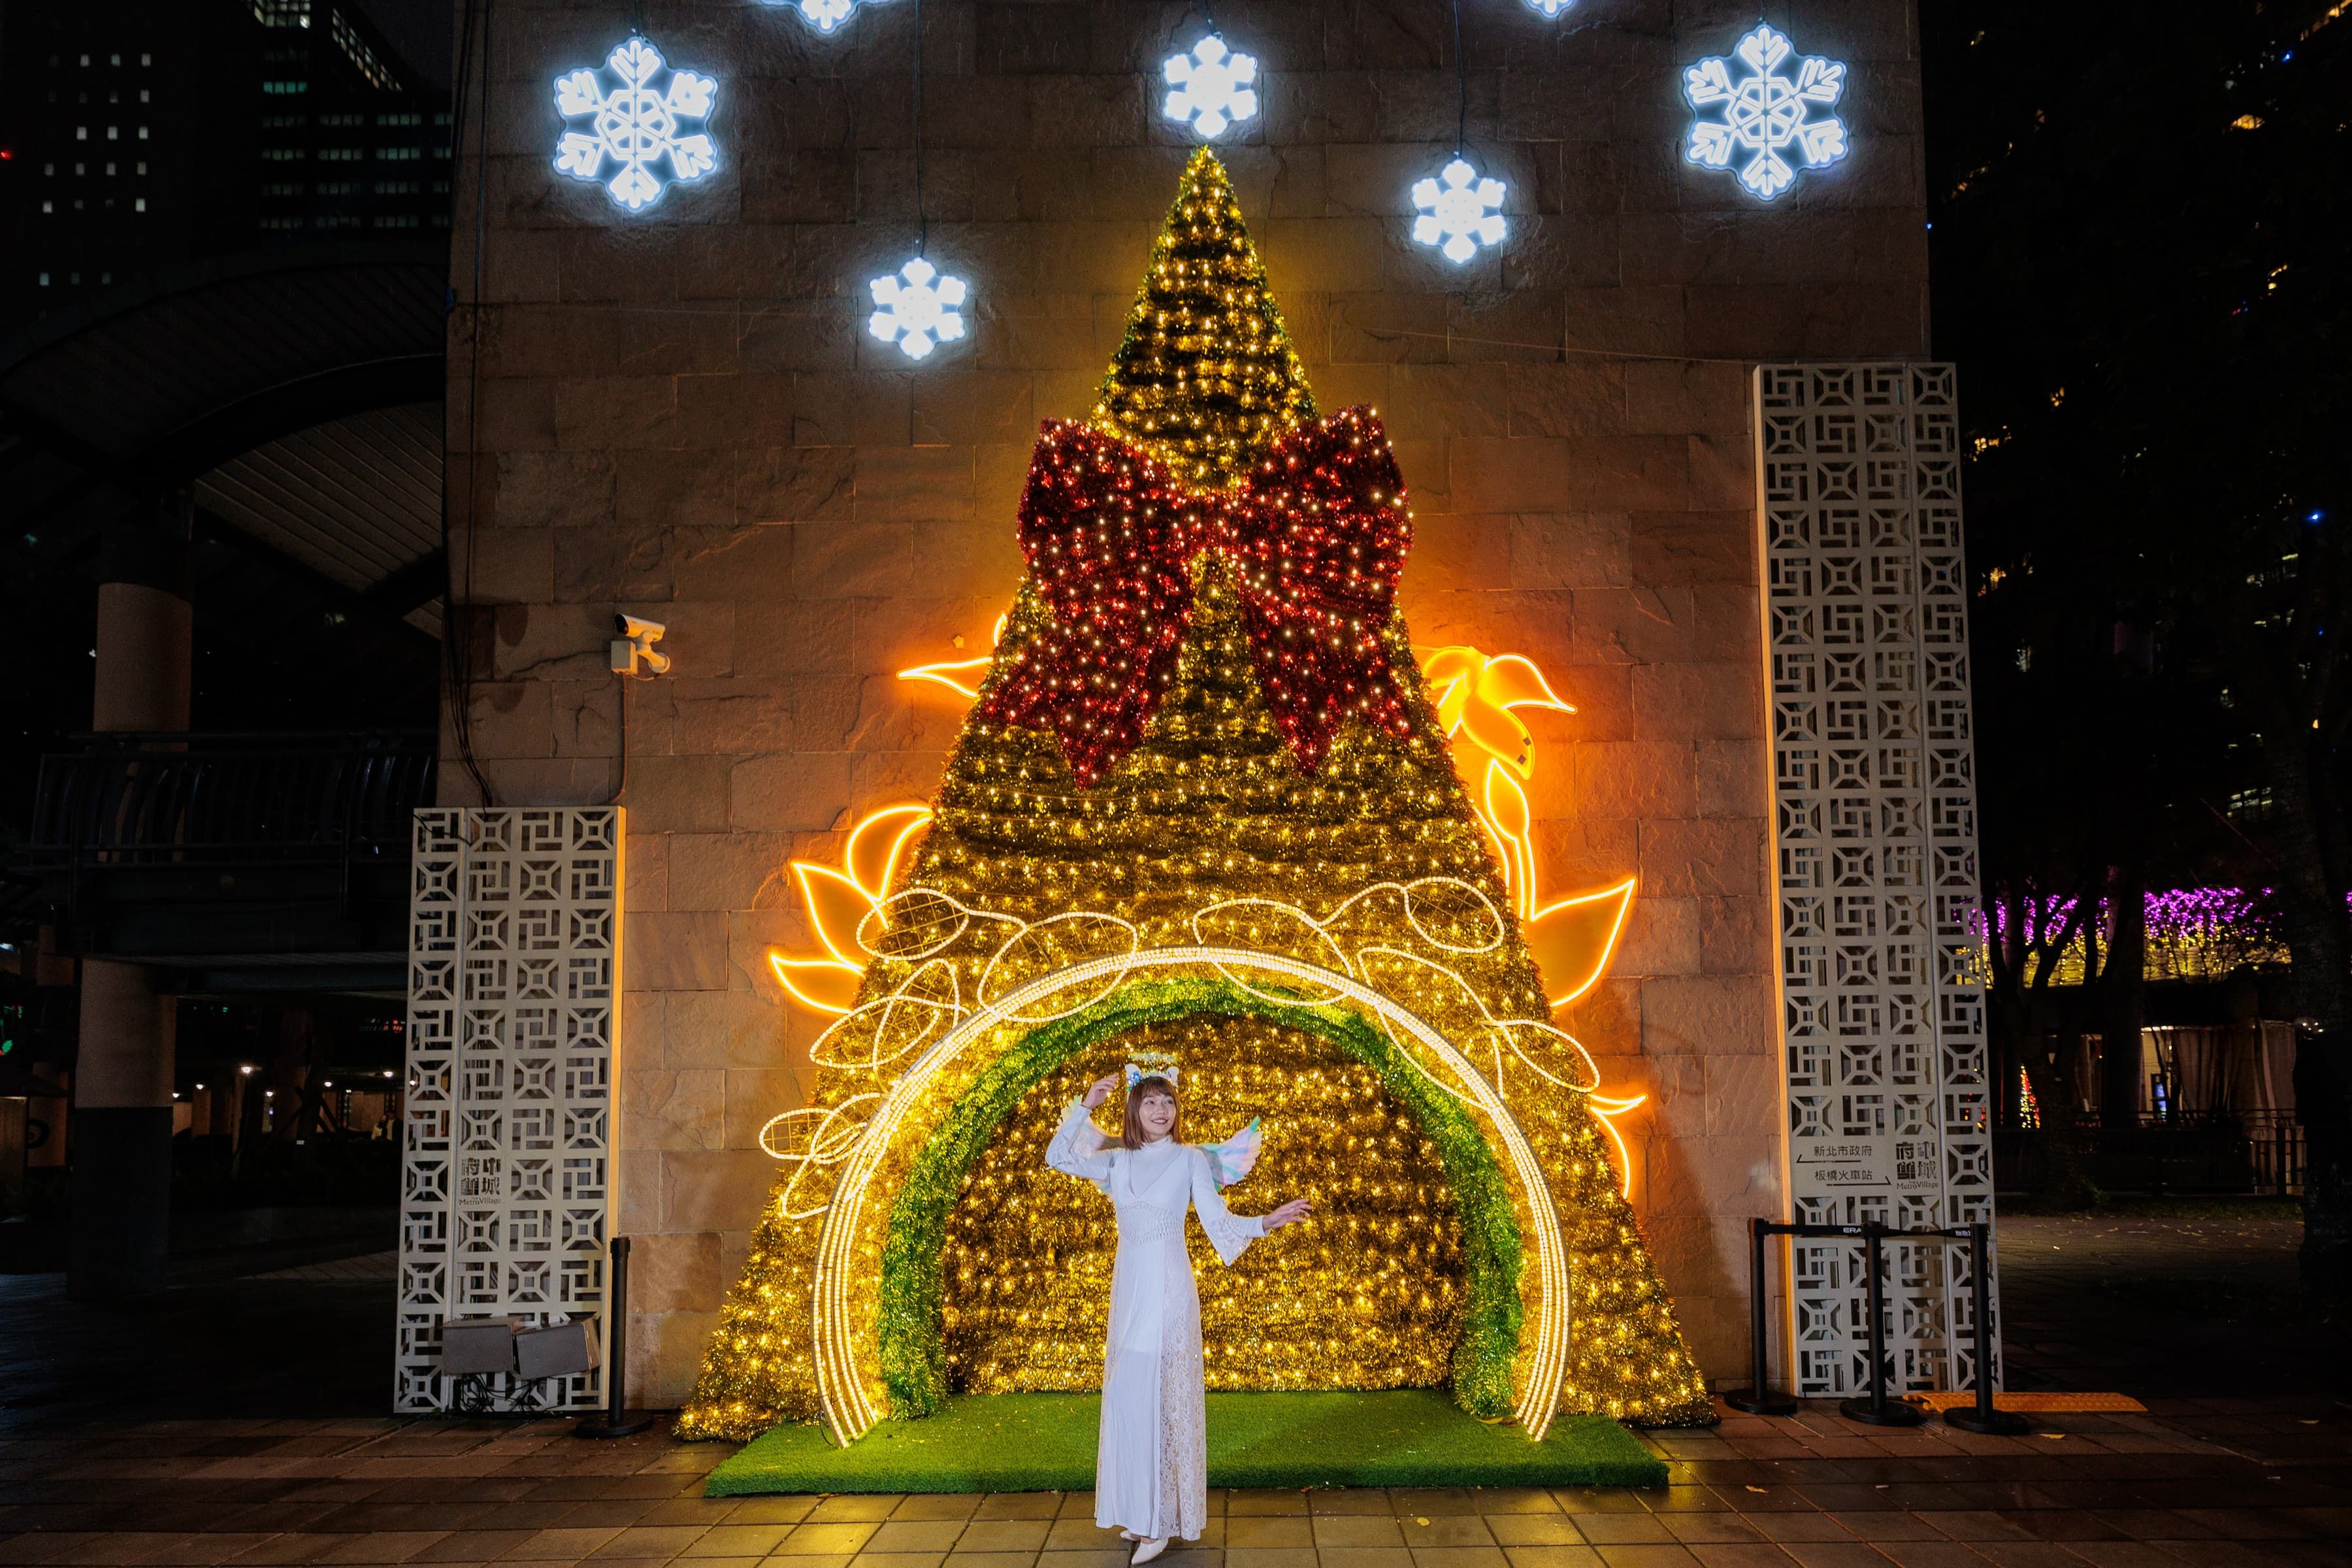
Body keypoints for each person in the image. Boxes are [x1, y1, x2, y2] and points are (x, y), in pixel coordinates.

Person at [1045, 1068, 1311, 1565]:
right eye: (1149, 1103)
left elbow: (1216, 1219)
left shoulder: (1190, 1159)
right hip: (1129, 1295)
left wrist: (1266, 1222)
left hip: (1170, 1294)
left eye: (1167, 1102)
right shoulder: (1117, 1161)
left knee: (1163, 1400)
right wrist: (1084, 1106)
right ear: (1133, 1110)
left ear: (1176, 1109)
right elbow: (1056, 1157)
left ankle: (1162, 1523)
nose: (1160, 1111)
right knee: (1130, 1398)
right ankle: (1141, 1511)